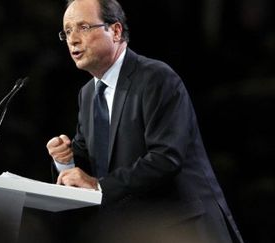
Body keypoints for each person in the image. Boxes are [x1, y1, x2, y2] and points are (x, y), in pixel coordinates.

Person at [46, 0, 244, 242]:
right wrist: (65, 161)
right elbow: (92, 162)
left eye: (84, 27)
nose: (73, 39)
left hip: (184, 228)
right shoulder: (87, 95)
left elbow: (166, 158)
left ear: (116, 31)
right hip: (135, 230)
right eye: (67, 31)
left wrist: (99, 186)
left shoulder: (156, 78)